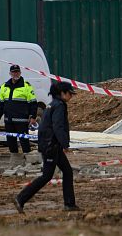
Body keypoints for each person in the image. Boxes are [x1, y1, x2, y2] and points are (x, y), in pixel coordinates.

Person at [14, 81, 80, 213]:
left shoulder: (52, 105)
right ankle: (21, 198)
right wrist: (64, 144)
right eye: (69, 93)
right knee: (47, 176)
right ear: (62, 93)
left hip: (51, 145)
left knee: (67, 171)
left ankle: (69, 204)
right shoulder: (59, 106)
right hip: (51, 146)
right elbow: (58, 126)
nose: (71, 96)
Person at [0, 64, 38, 165]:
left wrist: (33, 116)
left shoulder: (26, 86)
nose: (16, 74)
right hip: (8, 120)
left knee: (24, 141)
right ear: (10, 73)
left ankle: (28, 162)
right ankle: (15, 162)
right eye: (14, 72)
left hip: (21, 120)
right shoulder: (4, 86)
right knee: (11, 141)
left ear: (20, 73)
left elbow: (33, 103)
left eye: (17, 72)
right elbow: (1, 104)